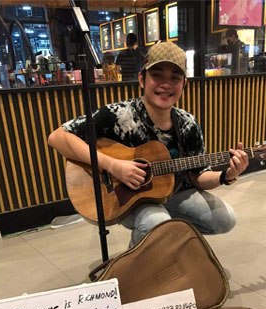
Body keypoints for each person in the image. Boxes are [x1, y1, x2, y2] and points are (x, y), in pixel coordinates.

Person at [47, 42, 248, 247]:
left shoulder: (188, 123)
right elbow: (57, 137)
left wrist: (226, 176)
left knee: (225, 219)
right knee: (156, 222)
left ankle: (166, 244)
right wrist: (113, 165)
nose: (166, 84)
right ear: (142, 79)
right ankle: (136, 265)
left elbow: (198, 176)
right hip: (126, 197)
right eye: (157, 75)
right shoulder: (118, 115)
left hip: (175, 194)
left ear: (184, 85)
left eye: (175, 78)